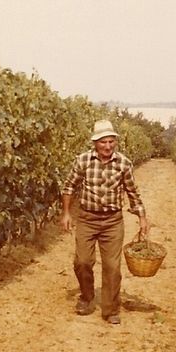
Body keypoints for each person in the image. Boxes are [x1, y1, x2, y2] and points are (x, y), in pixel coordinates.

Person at [60, 119, 149, 324]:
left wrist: (142, 218)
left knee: (112, 266)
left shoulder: (124, 163)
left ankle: (111, 309)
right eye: (103, 142)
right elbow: (69, 187)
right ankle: (87, 296)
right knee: (82, 262)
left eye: (111, 142)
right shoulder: (82, 161)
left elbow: (132, 192)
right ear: (95, 143)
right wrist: (66, 213)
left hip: (112, 221)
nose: (108, 146)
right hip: (87, 218)